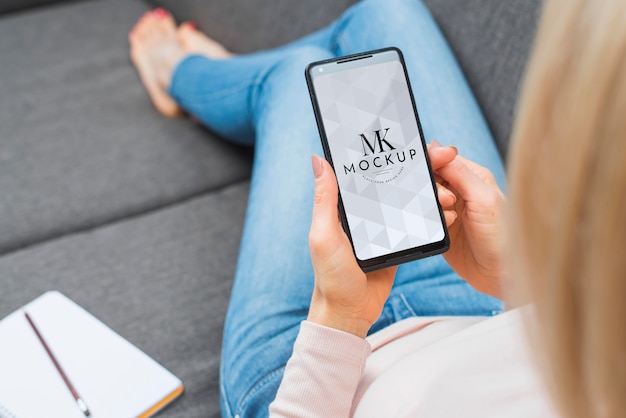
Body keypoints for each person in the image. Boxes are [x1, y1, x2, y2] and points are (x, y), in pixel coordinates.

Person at [128, 0, 625, 416]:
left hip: (305, 359)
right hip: (478, 301)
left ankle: (185, 74)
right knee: (386, 9)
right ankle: (240, 84)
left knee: (295, 74)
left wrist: (338, 316)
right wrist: (516, 279)